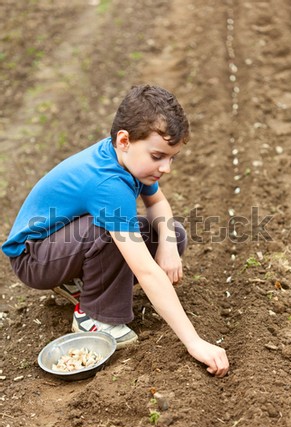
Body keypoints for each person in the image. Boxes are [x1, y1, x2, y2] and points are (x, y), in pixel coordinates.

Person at [1, 84, 229, 377]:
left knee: (170, 234)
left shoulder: (129, 159)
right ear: (124, 140)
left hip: (61, 243)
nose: (166, 168)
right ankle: (94, 316)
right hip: (33, 257)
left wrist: (169, 247)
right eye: (158, 156)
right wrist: (194, 342)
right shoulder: (108, 185)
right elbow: (146, 271)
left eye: (172, 158)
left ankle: (79, 281)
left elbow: (157, 202)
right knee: (112, 231)